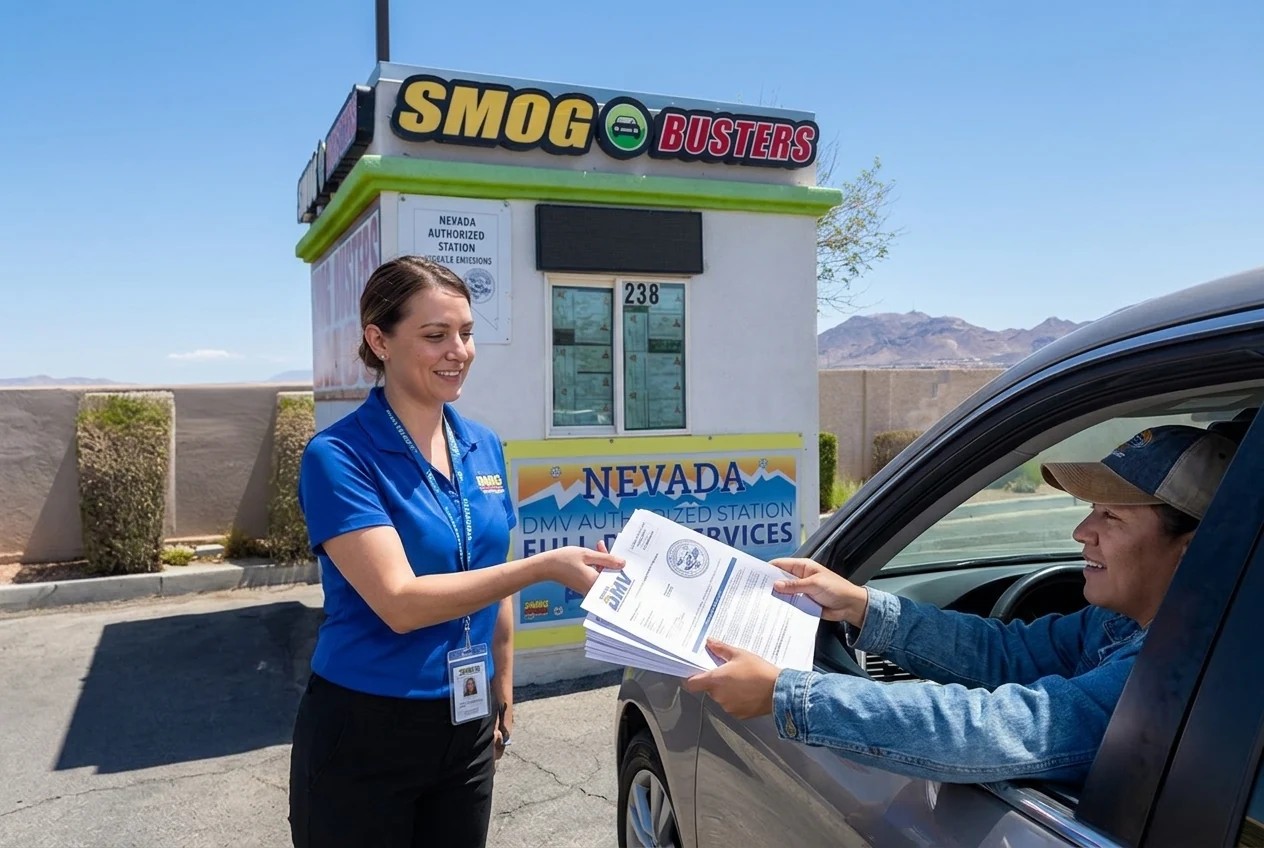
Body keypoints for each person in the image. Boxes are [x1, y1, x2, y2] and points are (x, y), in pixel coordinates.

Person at [684, 424, 1238, 788]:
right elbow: (1009, 652)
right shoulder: (1122, 622)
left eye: (1111, 518)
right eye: (1091, 510)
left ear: (1194, 551)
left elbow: (999, 727)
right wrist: (859, 605)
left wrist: (788, 694)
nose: (1081, 532)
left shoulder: (1177, 673)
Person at [288, 256, 623, 848]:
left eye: (466, 333)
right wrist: (545, 566)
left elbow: (492, 577)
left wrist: (503, 690)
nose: (459, 351)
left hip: (466, 722)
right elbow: (399, 602)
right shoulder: (339, 457)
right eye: (435, 335)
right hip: (366, 727)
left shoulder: (482, 444)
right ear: (379, 340)